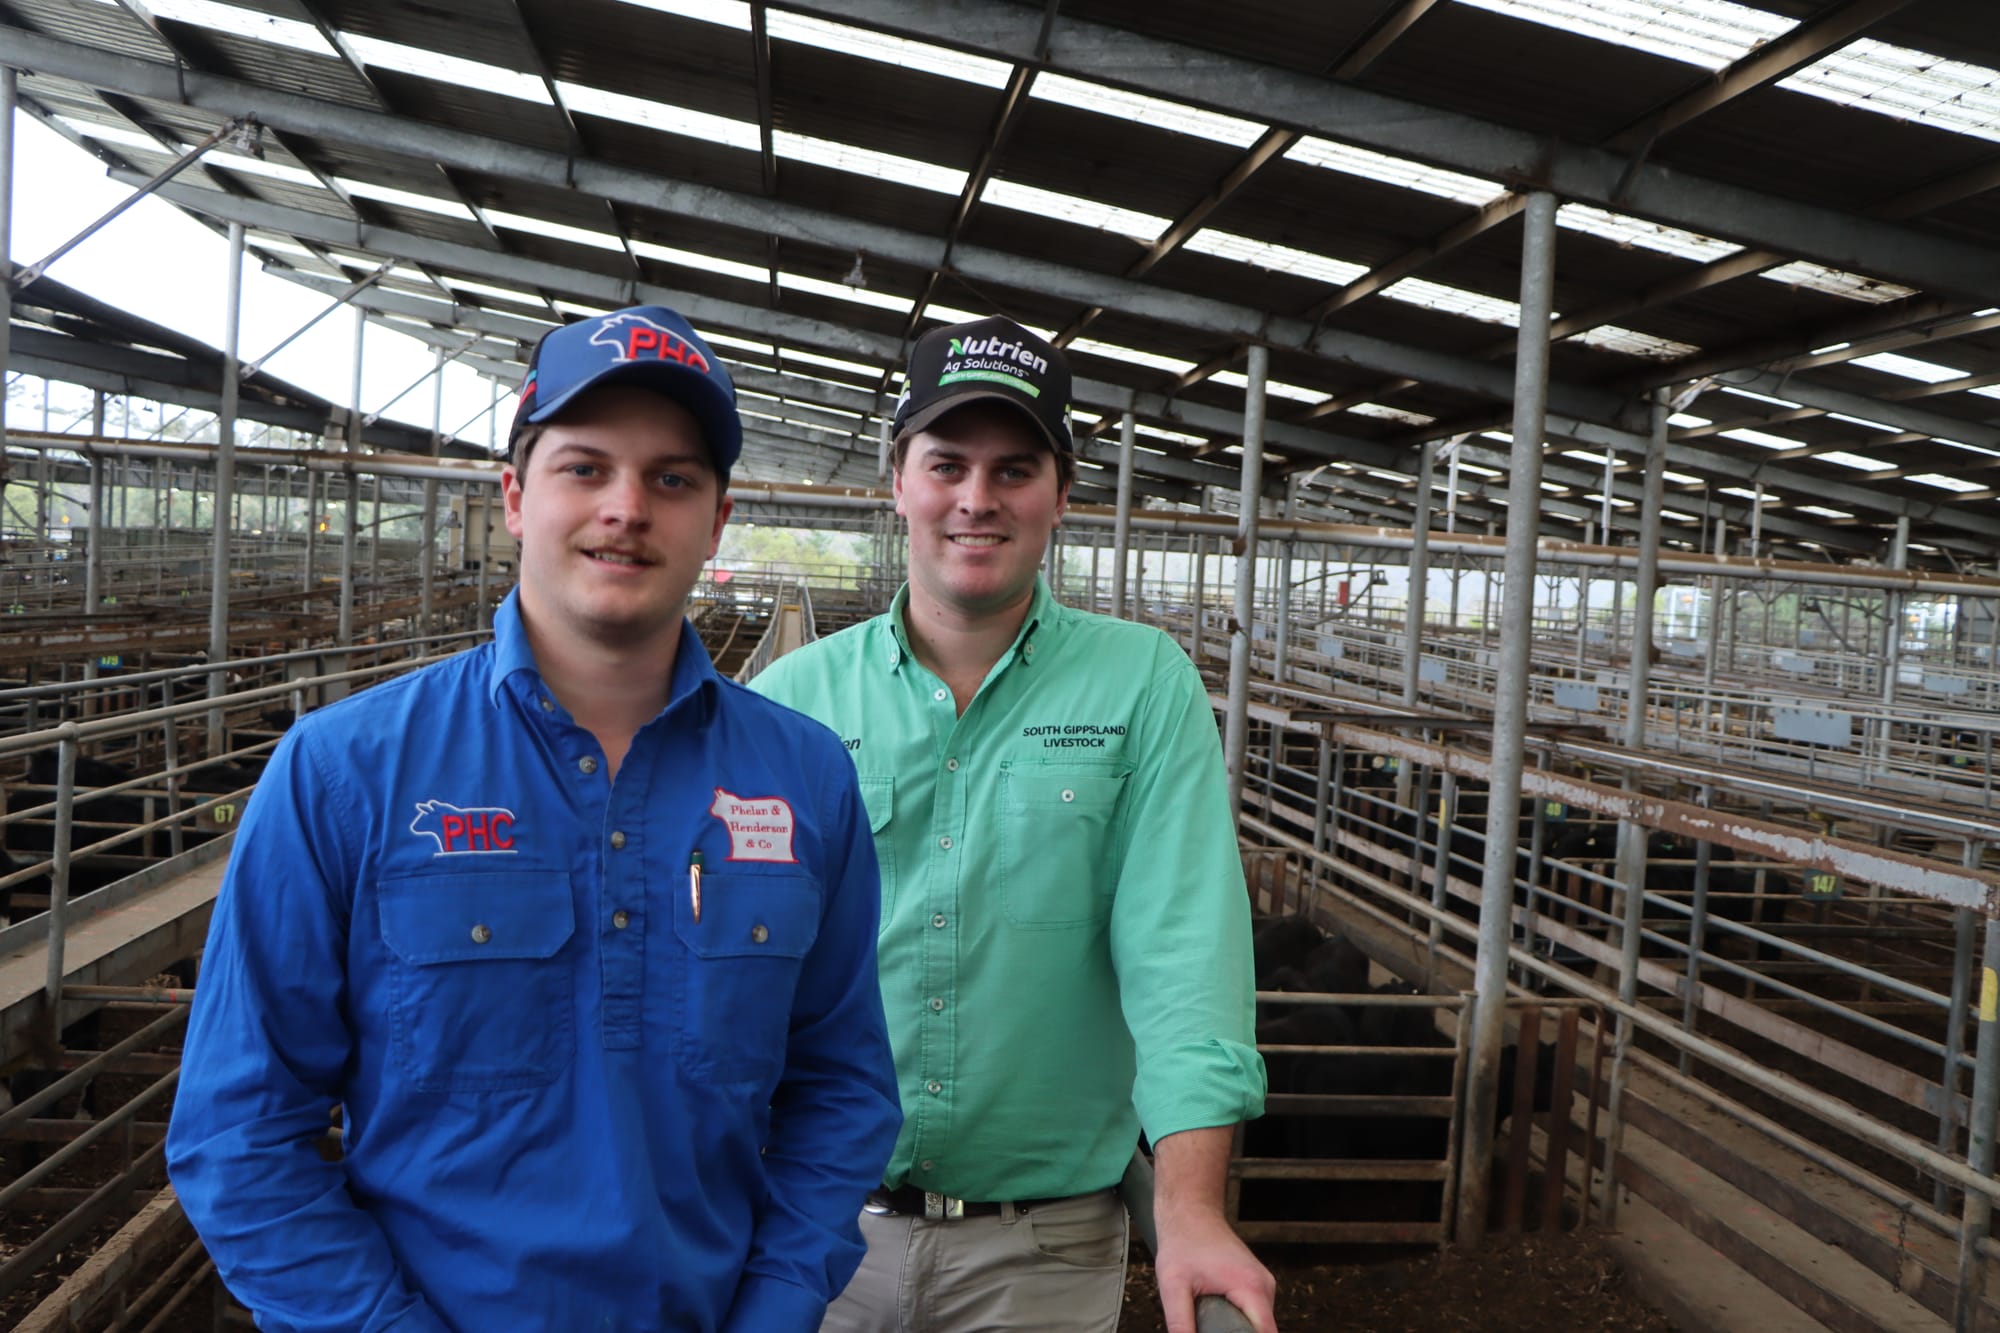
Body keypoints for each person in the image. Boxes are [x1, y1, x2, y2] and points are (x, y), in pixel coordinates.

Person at [166, 304, 902, 1333]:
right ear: (515, 497)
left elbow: (842, 1089)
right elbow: (237, 1132)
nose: (626, 507)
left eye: (672, 479)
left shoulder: (805, 777)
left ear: (716, 519)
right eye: (584, 468)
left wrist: (777, 1303)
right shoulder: (345, 771)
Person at [752, 317, 1275, 1333]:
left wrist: (1189, 1206)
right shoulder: (790, 700)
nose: (976, 498)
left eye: (1014, 469)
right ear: (898, 481)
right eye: (946, 464)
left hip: (1040, 1250)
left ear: (1060, 494)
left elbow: (1184, 954)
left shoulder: (1141, 683)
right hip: (812, 1231)